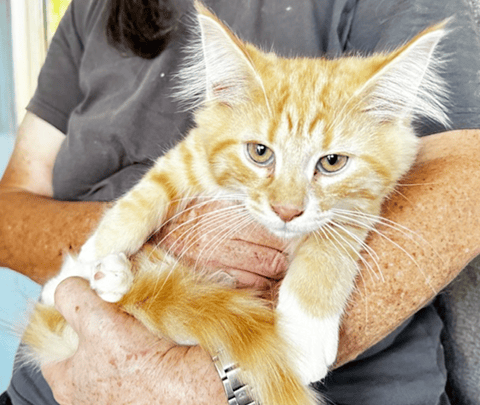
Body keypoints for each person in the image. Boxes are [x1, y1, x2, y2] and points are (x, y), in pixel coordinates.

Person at [0, 0, 479, 404]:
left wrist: (217, 379)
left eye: (330, 162)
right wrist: (152, 247)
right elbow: (9, 210)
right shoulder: (95, 7)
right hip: (51, 377)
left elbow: (468, 173)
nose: (287, 204)